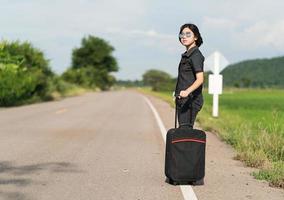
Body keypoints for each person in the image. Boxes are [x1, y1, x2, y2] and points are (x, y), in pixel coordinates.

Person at [175, 23, 205, 128]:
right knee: (183, 132)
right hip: (183, 99)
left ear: (195, 37)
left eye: (188, 34)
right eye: (182, 34)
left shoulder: (196, 55)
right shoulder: (187, 55)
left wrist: (187, 91)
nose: (184, 37)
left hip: (191, 100)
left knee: (185, 132)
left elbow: (200, 79)